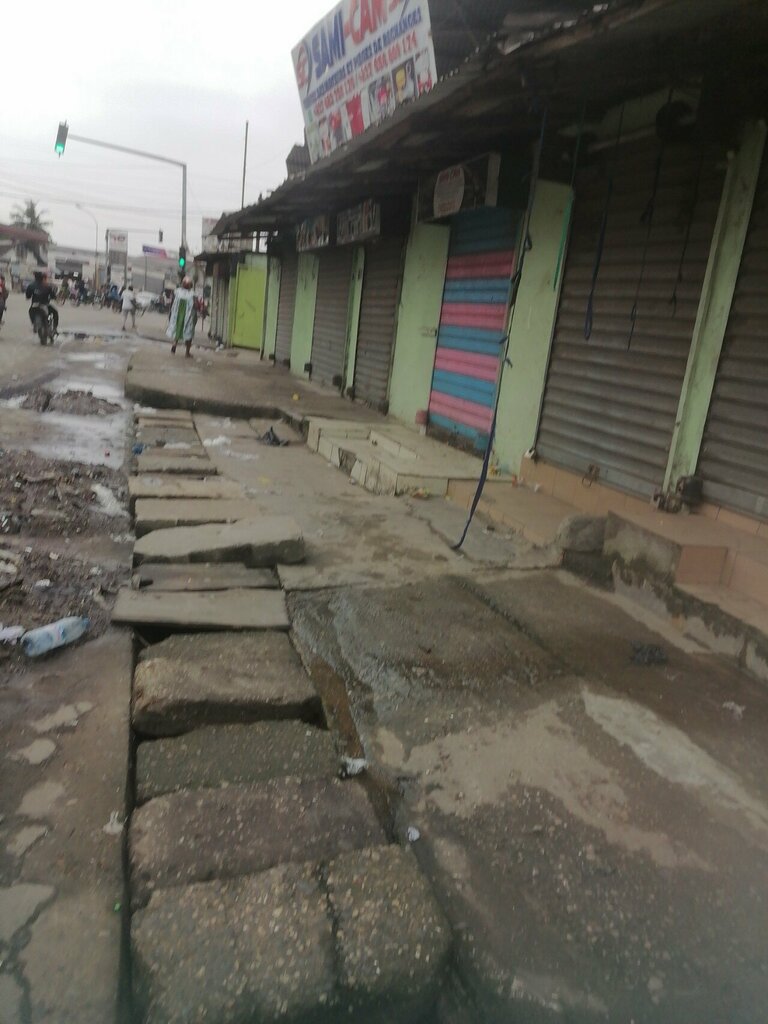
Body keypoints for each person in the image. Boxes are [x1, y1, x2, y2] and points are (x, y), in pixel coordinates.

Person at [166, 276, 197, 356]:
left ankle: (174, 344)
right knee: (188, 333)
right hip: (188, 316)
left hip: (177, 315)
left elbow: (172, 303)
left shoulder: (177, 292)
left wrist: (170, 313)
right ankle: (187, 352)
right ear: (191, 285)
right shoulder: (192, 294)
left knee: (177, 329)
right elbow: (195, 306)